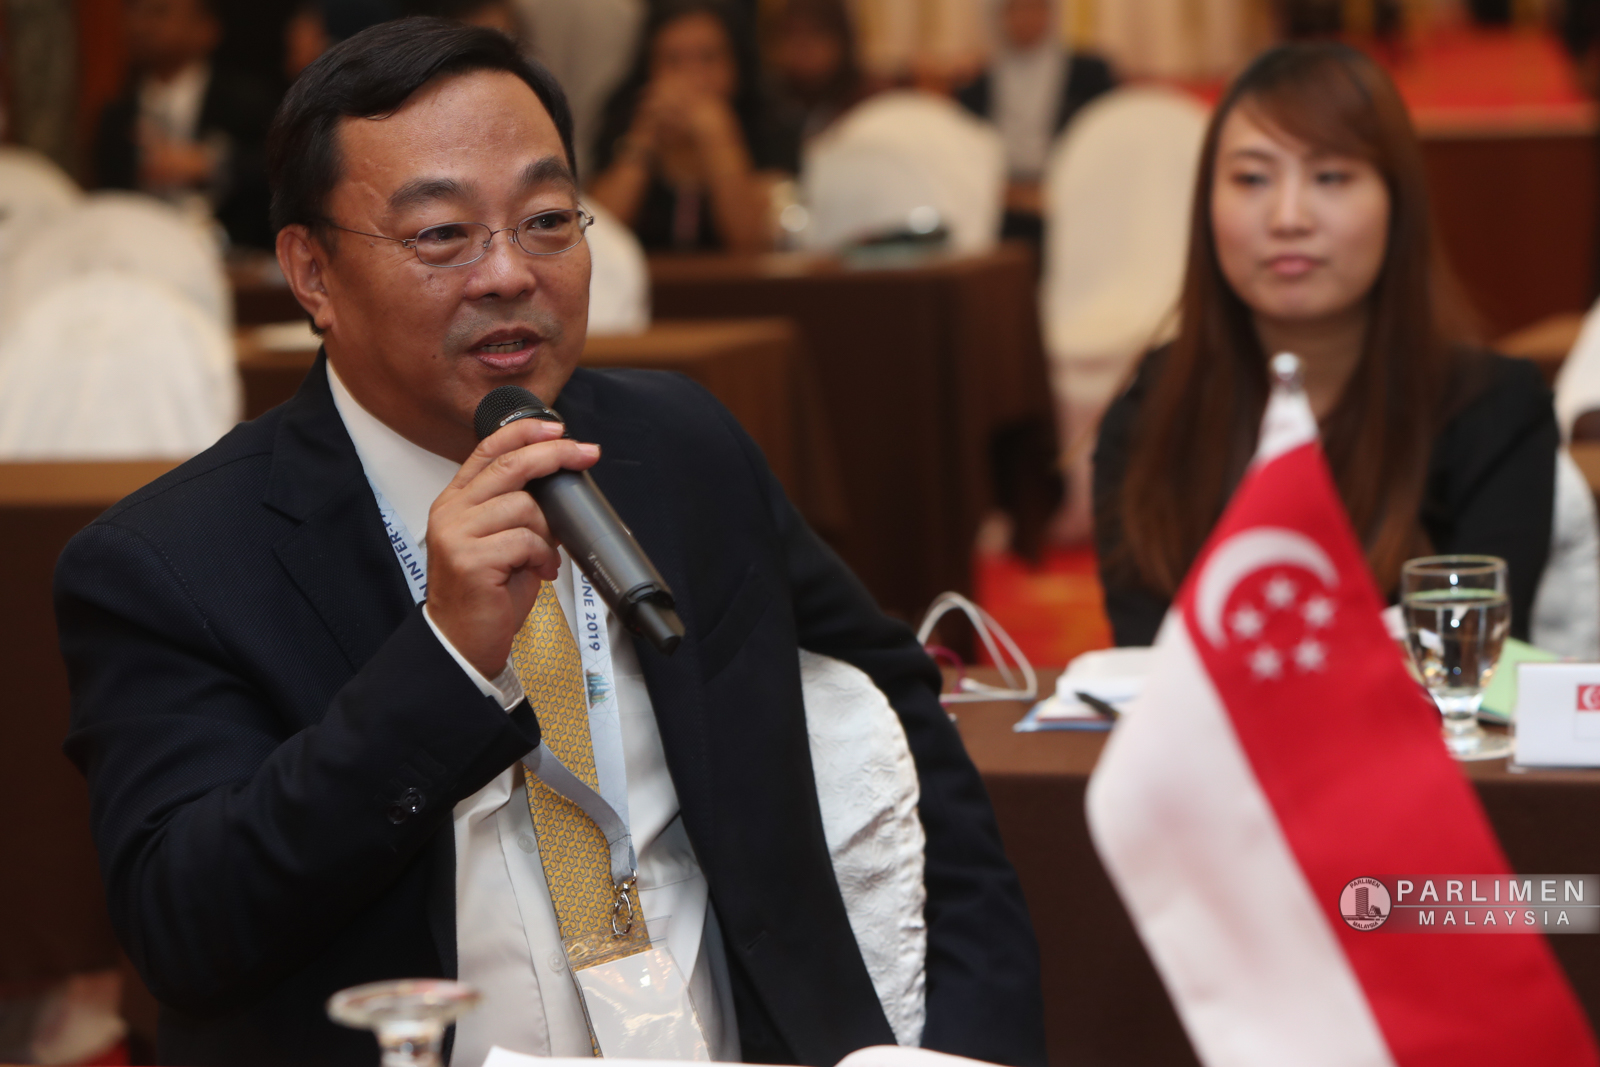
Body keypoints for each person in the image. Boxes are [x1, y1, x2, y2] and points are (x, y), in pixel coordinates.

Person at [55, 17, 1045, 1067]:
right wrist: (443, 659)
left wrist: (977, 1036)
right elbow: (187, 931)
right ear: (311, 273)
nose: (507, 273)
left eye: (544, 220)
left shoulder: (680, 448)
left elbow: (899, 699)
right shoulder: (173, 561)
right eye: (442, 234)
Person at [1093, 41, 1557, 648]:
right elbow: (1145, 663)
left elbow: (1476, 659)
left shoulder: (1493, 409)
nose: (1288, 217)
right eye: (1252, 178)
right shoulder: (1153, 409)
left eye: (1331, 176)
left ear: (1398, 202)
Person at [588, 0, 797, 252]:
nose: (691, 77)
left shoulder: (770, 126)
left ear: (737, 65)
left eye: (708, 58)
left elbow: (752, 243)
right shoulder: (622, 123)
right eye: (673, 61)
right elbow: (597, 237)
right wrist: (642, 141)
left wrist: (719, 138)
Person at [93, 0, 278, 249]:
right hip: (140, 251)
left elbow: (278, 172)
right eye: (134, 11)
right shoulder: (116, 116)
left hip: (232, 252)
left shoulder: (247, 103)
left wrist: (209, 165)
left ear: (206, 29)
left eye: (159, 12)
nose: (141, 25)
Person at [954, 0, 1114, 242]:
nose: (1026, 18)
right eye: (1016, 9)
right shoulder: (976, 82)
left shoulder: (1089, 74)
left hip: (1071, 198)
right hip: (1000, 202)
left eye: (1035, 7)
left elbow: (1106, 140)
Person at [766, 0, 868, 147]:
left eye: (815, 33)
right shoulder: (773, 103)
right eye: (791, 33)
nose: (802, 46)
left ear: (842, 39)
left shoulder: (867, 101)